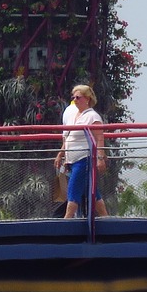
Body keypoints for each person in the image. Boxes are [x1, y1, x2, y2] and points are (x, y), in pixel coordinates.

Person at [53, 84, 108, 219]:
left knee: (73, 191)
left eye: (78, 97)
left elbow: (99, 138)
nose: (75, 100)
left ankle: (67, 219)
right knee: (92, 191)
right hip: (73, 160)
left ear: (87, 99)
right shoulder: (73, 115)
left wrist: (100, 158)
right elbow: (68, 137)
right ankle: (106, 218)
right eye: (73, 98)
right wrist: (61, 154)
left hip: (84, 159)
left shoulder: (92, 117)